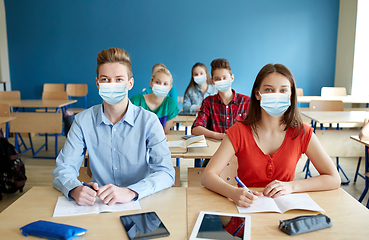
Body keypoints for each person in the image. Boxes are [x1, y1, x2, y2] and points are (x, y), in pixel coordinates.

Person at [201, 63, 341, 209]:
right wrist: (233, 192)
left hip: (286, 213)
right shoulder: (238, 131)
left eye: (283, 90)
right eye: (269, 89)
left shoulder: (302, 132)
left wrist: (292, 186)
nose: (276, 95)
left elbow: (333, 179)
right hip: (247, 209)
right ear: (257, 94)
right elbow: (207, 176)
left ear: (291, 94)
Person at [52, 48, 175, 206]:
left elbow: (165, 172)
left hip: (141, 201)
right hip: (98, 204)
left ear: (130, 83)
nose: (112, 85)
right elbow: (64, 167)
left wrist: (131, 192)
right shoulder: (82, 121)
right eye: (105, 79)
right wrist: (74, 189)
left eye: (118, 79)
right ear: (97, 83)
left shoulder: (149, 121)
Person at [191, 58, 250, 140]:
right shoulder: (208, 102)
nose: (221, 81)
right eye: (217, 79)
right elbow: (196, 129)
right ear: (212, 81)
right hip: (215, 149)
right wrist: (217, 135)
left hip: (240, 149)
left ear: (232, 78)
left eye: (225, 78)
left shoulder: (247, 102)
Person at [130, 68, 179, 134]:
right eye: (157, 82)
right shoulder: (135, 101)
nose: (161, 86)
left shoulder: (170, 103)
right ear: (151, 84)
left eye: (165, 84)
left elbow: (165, 133)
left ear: (169, 88)